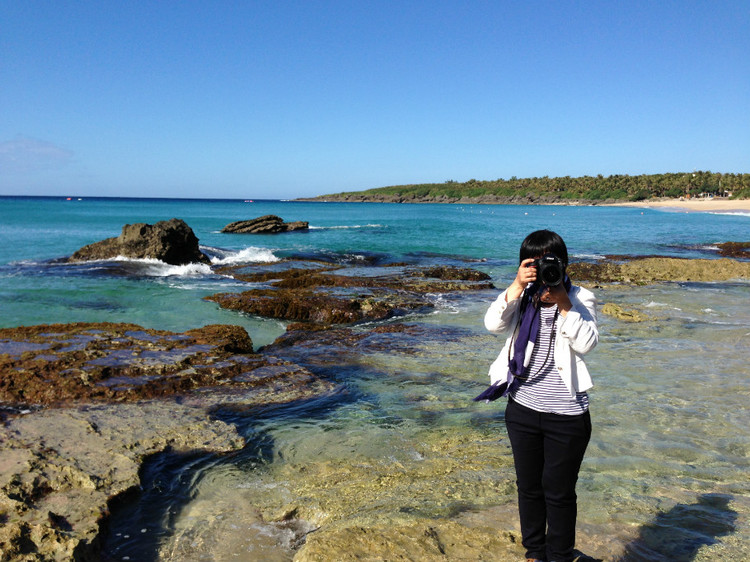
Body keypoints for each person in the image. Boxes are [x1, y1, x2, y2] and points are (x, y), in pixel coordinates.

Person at [482, 229, 598, 562]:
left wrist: (564, 304)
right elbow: (493, 324)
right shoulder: (523, 297)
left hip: (567, 415)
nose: (544, 269)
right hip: (522, 408)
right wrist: (517, 285)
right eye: (534, 262)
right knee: (529, 488)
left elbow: (587, 343)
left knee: (559, 493)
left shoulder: (580, 298)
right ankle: (534, 552)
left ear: (563, 263)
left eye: (552, 262)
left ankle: (560, 556)